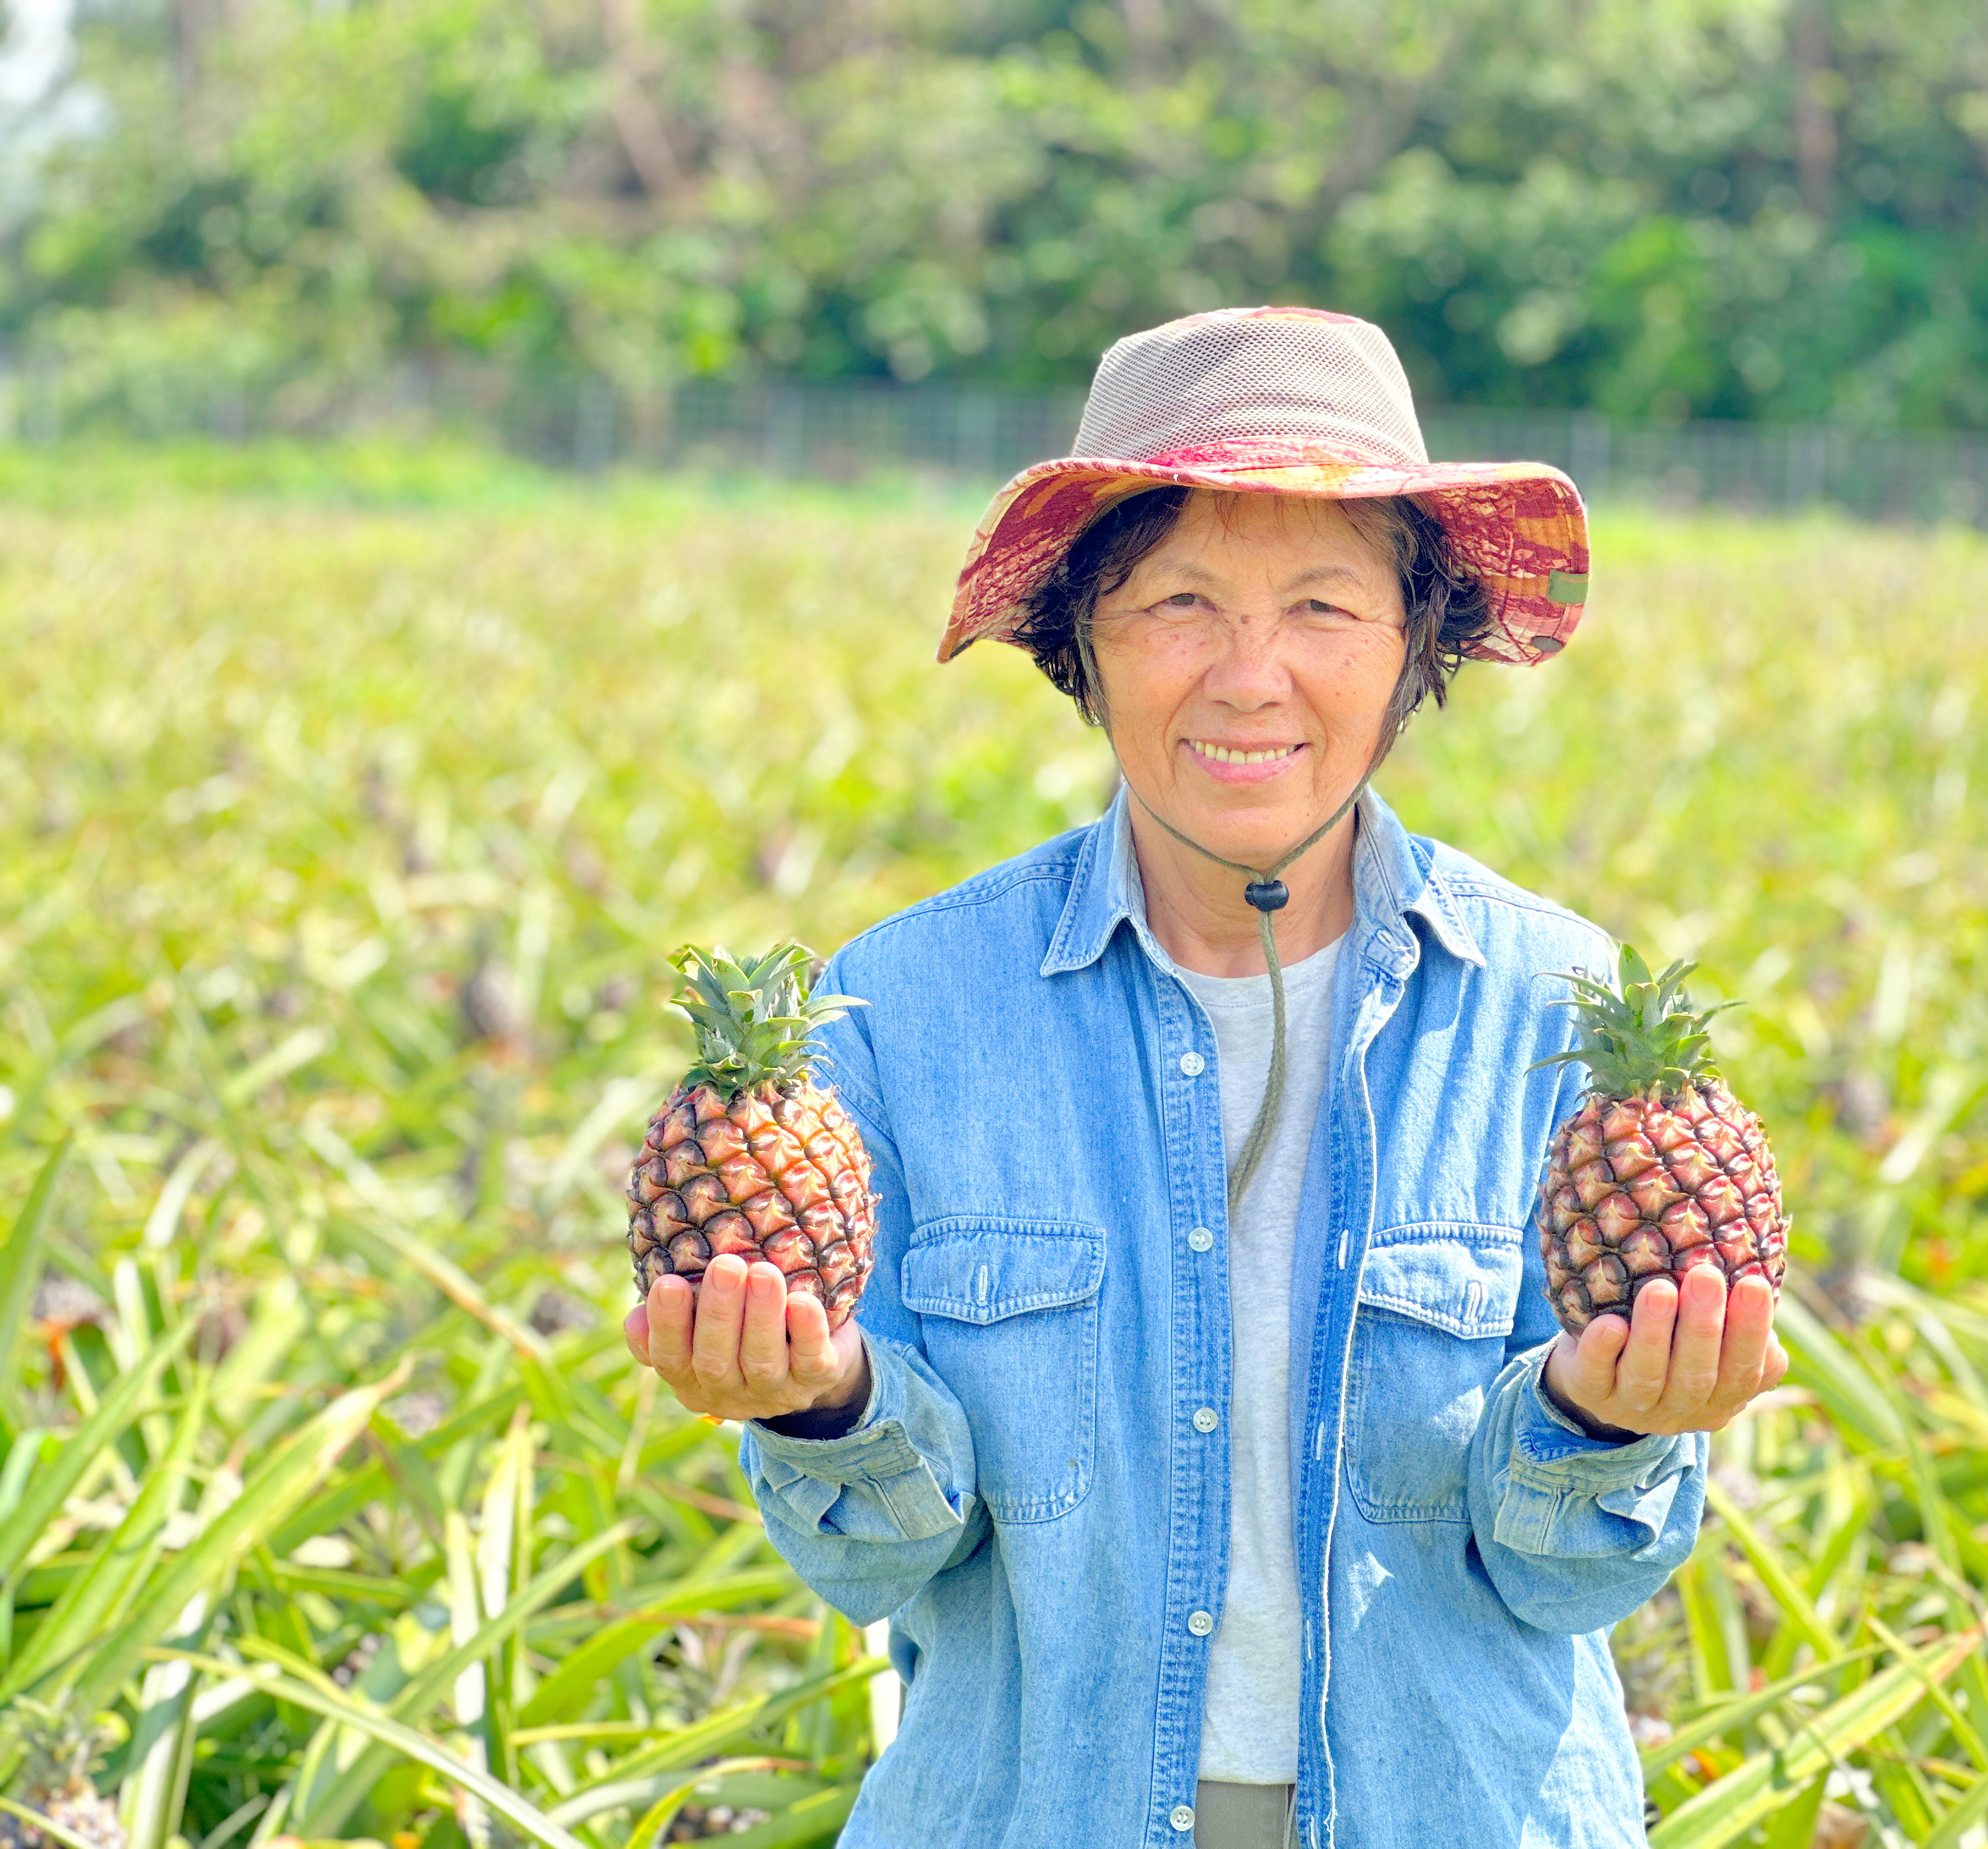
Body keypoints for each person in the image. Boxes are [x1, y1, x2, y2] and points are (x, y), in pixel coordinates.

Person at [624, 306, 1788, 1848]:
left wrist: (1610, 1421)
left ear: (1415, 647)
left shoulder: (1556, 1010)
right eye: (1179, 602)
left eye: (1324, 608)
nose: (1252, 678)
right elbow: (888, 1565)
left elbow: (1570, 1578)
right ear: (1083, 649)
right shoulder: (905, 1006)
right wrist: (818, 1407)